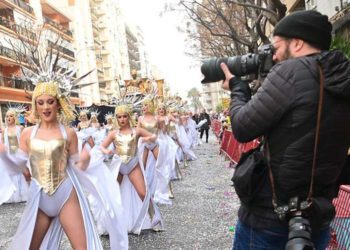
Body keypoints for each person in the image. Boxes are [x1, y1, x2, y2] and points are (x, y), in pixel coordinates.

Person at [220, 10, 350, 249]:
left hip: (270, 218)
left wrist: (238, 89)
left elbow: (241, 127)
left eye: (276, 47)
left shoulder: (291, 72)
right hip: (317, 217)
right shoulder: (343, 78)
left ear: (298, 43)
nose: (275, 56)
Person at [0, 81, 103, 249]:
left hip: (66, 195)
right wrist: (4, 155)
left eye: (50, 101)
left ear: (58, 104)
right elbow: (20, 166)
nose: (46, 107)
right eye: (40, 103)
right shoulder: (27, 133)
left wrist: (86, 159)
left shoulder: (69, 133)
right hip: (39, 199)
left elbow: (77, 165)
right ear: (35, 106)